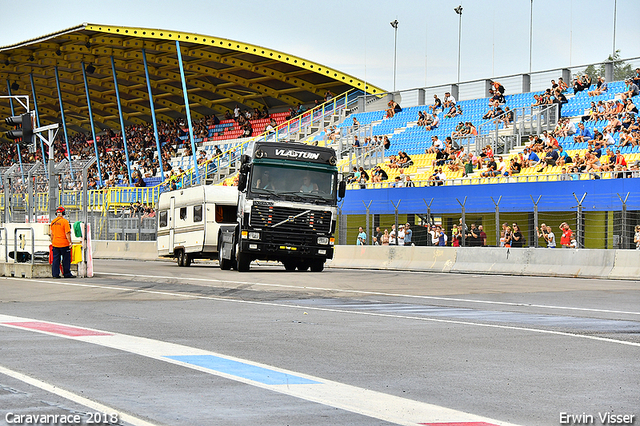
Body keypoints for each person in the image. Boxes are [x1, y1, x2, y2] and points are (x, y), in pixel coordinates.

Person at [50, 206, 75, 279]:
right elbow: (67, 233)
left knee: (56, 259)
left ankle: (55, 274)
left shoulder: (53, 222)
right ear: (63, 213)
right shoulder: (65, 222)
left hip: (55, 243)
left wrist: (53, 241)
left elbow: (51, 234)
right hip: (64, 244)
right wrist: (70, 242)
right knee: (66, 260)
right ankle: (66, 273)